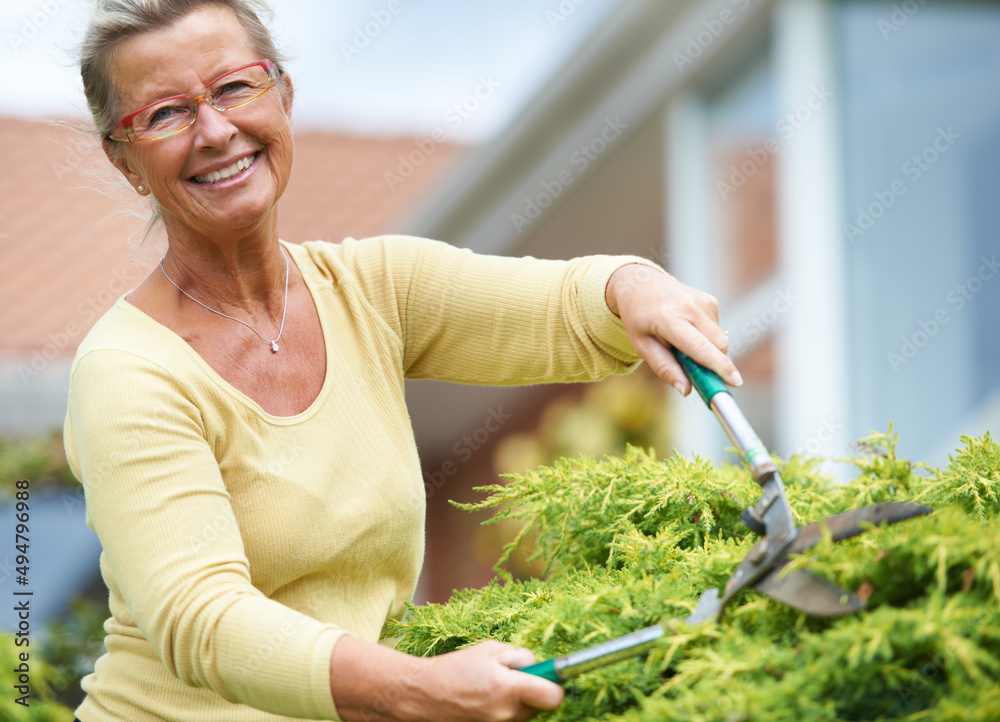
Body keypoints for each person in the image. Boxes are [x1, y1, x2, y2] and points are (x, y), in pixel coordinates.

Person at [64, 1, 741, 720]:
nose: (216, 130)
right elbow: (204, 620)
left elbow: (564, 307)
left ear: (284, 94)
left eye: (236, 87)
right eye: (166, 114)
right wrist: (420, 688)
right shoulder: (127, 373)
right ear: (124, 158)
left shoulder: (371, 291)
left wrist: (632, 283)